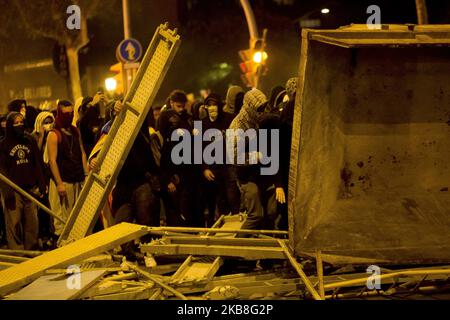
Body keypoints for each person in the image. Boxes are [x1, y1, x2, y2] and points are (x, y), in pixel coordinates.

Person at [229, 89, 279, 234]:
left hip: (258, 173)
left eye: (264, 108)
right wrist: (255, 156)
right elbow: (233, 156)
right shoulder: (238, 127)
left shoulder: (255, 121)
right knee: (255, 215)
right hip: (245, 177)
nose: (262, 111)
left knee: (270, 212)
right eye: (259, 108)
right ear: (251, 107)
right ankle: (235, 249)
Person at [0, 112, 46, 250]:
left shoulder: (29, 141)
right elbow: (2, 170)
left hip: (30, 190)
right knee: (14, 224)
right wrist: (7, 193)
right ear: (10, 126)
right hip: (14, 192)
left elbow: (37, 163)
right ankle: (17, 253)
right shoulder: (3, 145)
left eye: (21, 122)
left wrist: (41, 183)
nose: (20, 125)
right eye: (16, 123)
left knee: (32, 223)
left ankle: (31, 251)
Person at [47, 100, 88, 237]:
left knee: (78, 218)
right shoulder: (54, 134)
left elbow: (82, 152)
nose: (69, 116)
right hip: (64, 181)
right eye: (66, 114)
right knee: (63, 220)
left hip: (77, 179)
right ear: (59, 113)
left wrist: (85, 174)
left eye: (71, 113)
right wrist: (59, 184)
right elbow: (52, 161)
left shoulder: (75, 131)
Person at [201, 93, 241, 225]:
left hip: (229, 165)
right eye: (209, 105)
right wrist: (204, 168)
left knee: (233, 197)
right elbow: (198, 149)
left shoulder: (229, 119)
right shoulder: (203, 124)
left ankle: (236, 225)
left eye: (215, 105)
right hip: (213, 168)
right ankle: (224, 228)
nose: (212, 108)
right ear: (206, 107)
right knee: (219, 199)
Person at [158, 90, 196, 227]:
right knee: (173, 209)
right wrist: (167, 179)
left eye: (182, 106)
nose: (181, 109)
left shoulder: (187, 118)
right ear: (172, 103)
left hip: (186, 169)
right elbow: (162, 151)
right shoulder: (165, 117)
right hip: (171, 168)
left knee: (186, 206)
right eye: (178, 106)